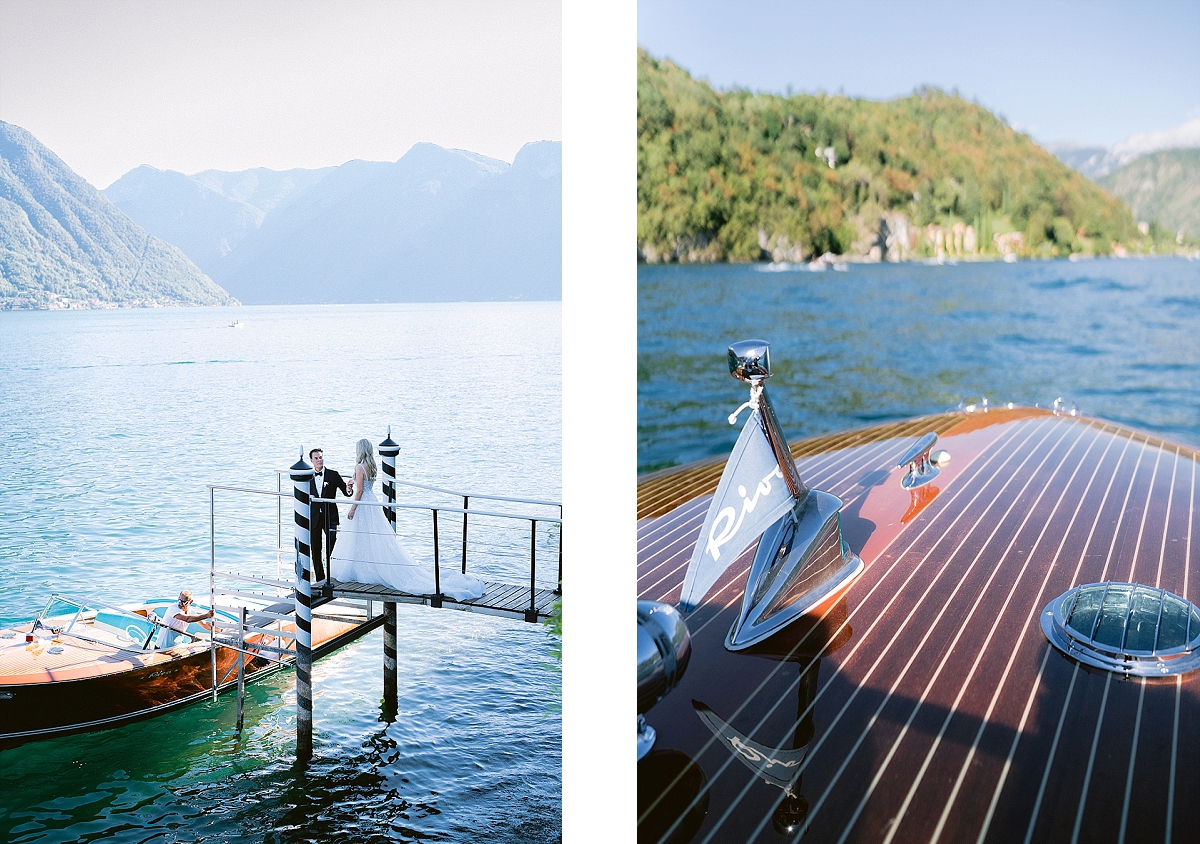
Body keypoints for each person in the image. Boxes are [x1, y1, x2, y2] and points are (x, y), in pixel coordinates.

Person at [331, 438, 484, 601]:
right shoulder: (371, 466)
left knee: (359, 536)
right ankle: (368, 566)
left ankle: (359, 568)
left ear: (359, 450)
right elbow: (364, 486)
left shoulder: (359, 467)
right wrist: (352, 483)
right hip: (372, 502)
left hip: (362, 504)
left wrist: (353, 508)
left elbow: (360, 490)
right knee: (373, 536)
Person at [309, 447, 352, 582]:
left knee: (332, 547)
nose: (319, 460)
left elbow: (346, 492)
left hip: (330, 517)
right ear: (311, 460)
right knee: (315, 549)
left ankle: (331, 575)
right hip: (314, 517)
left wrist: (349, 488)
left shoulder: (333, 474)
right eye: (316, 458)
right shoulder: (307, 476)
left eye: (321, 457)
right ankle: (320, 579)